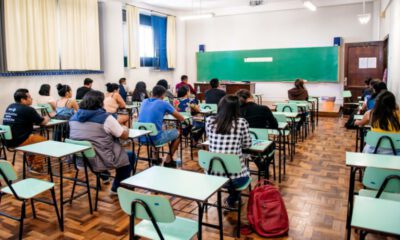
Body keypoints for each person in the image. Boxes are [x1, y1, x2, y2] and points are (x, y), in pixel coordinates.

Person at [69, 90, 136, 194]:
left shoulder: (73, 118)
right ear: (101, 102)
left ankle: (106, 176)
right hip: (100, 161)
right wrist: (125, 128)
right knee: (130, 156)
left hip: (81, 160)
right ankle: (117, 187)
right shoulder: (106, 118)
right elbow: (124, 135)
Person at [205, 95, 252, 208]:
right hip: (235, 180)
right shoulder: (241, 122)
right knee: (241, 166)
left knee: (230, 164)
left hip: (212, 175)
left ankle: (233, 197)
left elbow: (209, 138)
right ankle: (233, 198)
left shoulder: (209, 120)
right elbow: (247, 144)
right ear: (237, 108)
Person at [3, 89, 50, 173]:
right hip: (19, 140)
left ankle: (31, 164)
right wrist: (47, 118)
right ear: (22, 100)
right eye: (29, 97)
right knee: (44, 142)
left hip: (7, 140)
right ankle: (36, 167)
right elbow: (42, 122)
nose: (31, 99)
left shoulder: (10, 106)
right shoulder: (28, 109)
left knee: (34, 139)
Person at [138, 85, 184, 167]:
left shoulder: (144, 101)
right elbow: (181, 118)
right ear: (163, 95)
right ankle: (168, 160)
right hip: (155, 139)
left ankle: (155, 158)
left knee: (157, 130)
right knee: (178, 133)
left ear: (152, 93)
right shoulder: (164, 103)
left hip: (140, 137)